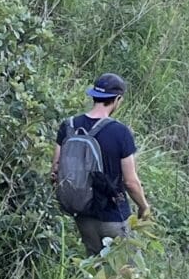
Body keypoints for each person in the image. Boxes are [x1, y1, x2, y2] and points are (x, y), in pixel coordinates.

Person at [54, 74, 149, 257]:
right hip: (114, 217)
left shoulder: (68, 126)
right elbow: (131, 182)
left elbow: (56, 171)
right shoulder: (120, 132)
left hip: (83, 216)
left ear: (94, 96)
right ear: (117, 99)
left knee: (95, 271)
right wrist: (144, 207)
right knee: (128, 277)